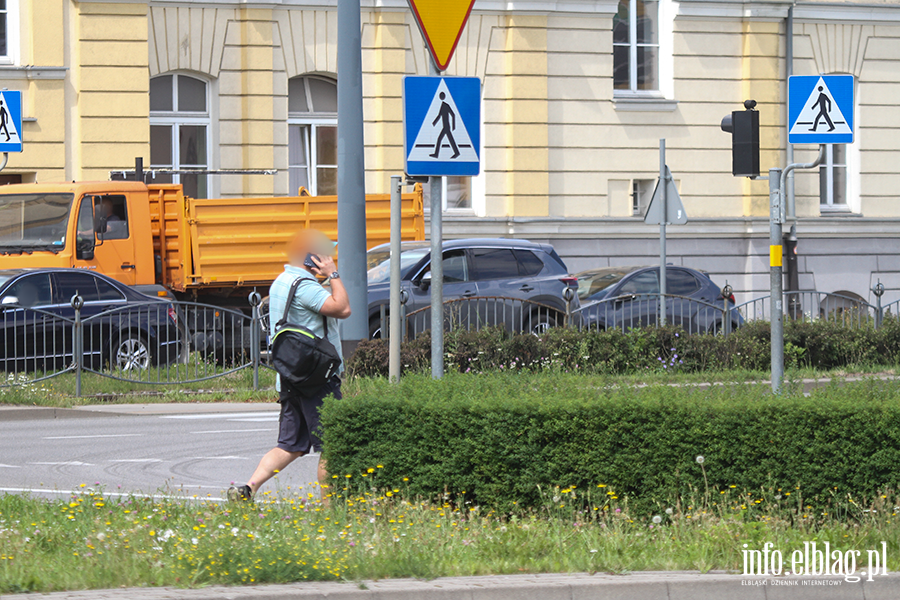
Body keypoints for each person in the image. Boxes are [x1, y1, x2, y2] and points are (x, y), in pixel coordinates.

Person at [228, 229, 350, 503]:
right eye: (325, 254)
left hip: (291, 377)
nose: (330, 257)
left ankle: (248, 489)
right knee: (332, 445)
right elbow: (343, 308)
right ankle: (330, 510)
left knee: (290, 445)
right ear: (312, 257)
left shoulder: (281, 281)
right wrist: (333, 274)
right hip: (317, 379)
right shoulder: (305, 286)